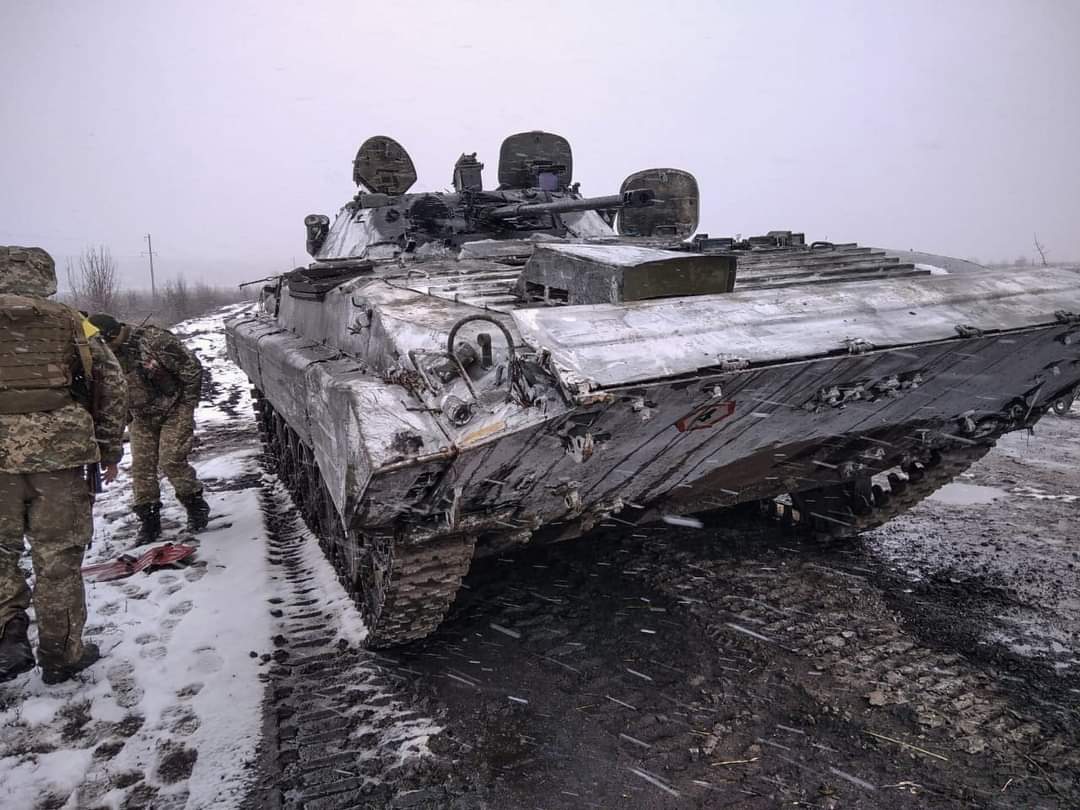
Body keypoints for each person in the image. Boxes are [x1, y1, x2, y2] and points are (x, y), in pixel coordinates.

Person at [0, 246, 127, 684]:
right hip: (60, 456)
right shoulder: (74, 321)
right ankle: (61, 655)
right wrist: (109, 448)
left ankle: (7, 634)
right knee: (57, 557)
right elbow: (110, 385)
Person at [88, 313, 210, 540]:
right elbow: (111, 394)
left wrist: (187, 405)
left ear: (112, 336)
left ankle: (195, 505)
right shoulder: (103, 355)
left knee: (171, 460)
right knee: (142, 469)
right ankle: (149, 520)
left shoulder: (154, 340)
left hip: (174, 408)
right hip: (141, 416)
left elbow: (191, 368)